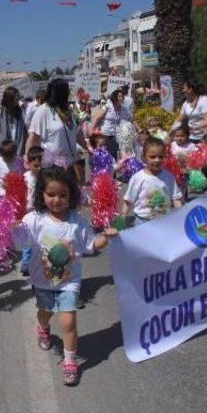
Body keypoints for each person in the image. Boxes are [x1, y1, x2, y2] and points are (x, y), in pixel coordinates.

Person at [16, 166, 116, 385]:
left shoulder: (78, 222)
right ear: (41, 194)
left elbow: (91, 244)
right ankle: (43, 328)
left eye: (63, 195)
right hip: (42, 281)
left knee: (68, 321)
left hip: (69, 282)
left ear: (71, 196)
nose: (56, 200)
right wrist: (13, 227)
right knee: (45, 312)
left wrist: (106, 237)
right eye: (51, 194)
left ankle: (70, 361)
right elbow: (19, 241)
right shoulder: (34, 219)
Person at [27, 78, 87, 169]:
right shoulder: (43, 111)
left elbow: (77, 134)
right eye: (67, 90)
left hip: (71, 165)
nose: (69, 93)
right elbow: (32, 138)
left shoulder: (69, 111)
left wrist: (90, 148)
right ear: (60, 93)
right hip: (52, 167)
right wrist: (28, 160)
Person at [122, 137, 183, 225]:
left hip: (164, 221)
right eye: (152, 157)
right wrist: (121, 220)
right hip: (142, 221)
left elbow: (176, 199)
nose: (157, 160)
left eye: (160, 157)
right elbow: (128, 200)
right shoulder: (138, 178)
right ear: (144, 157)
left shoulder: (168, 177)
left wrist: (182, 215)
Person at [175, 80, 207, 188]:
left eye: (184, 88)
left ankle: (206, 187)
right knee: (191, 162)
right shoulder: (186, 103)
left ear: (191, 89)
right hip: (193, 136)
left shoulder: (203, 100)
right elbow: (180, 118)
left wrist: (204, 136)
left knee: (205, 163)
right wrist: (170, 130)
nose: (182, 90)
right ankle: (195, 184)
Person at [20, 145, 44, 276]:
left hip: (40, 211)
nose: (39, 168)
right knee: (28, 236)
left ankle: (39, 261)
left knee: (39, 236)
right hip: (27, 211)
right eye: (36, 166)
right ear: (28, 164)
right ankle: (25, 261)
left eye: (41, 166)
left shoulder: (44, 178)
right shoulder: (25, 177)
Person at [91, 89, 132, 160]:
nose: (121, 98)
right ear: (115, 97)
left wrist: (139, 129)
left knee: (112, 157)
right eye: (119, 96)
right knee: (103, 156)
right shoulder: (108, 106)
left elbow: (131, 119)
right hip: (104, 135)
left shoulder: (124, 109)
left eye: (122, 96)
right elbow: (97, 118)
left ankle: (112, 170)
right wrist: (93, 131)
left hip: (115, 136)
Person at [0, 87, 27, 157]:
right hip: (3, 154)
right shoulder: (0, 113)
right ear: (9, 99)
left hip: (18, 153)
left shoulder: (22, 112)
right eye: (16, 97)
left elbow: (26, 131)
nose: (18, 99)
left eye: (18, 97)